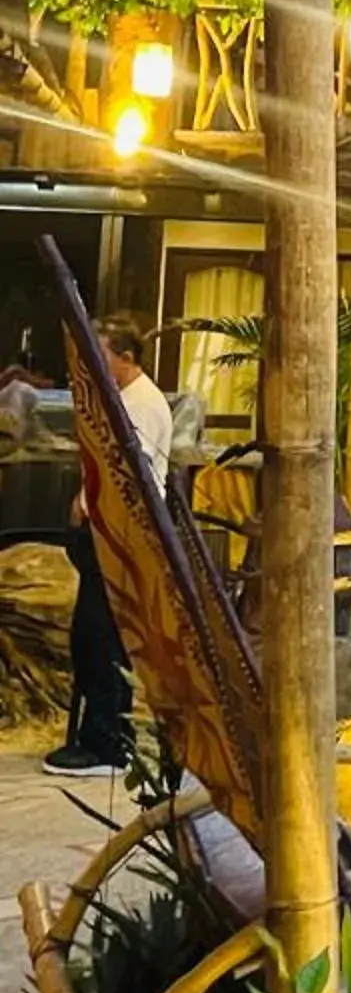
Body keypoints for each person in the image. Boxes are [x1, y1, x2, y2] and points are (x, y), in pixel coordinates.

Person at [46, 319, 171, 779]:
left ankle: (107, 743)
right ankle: (106, 734)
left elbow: (126, 475)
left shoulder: (141, 405)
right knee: (95, 636)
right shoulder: (120, 400)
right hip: (104, 531)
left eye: (100, 355)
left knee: (100, 637)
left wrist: (89, 505)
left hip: (121, 534)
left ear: (125, 357)